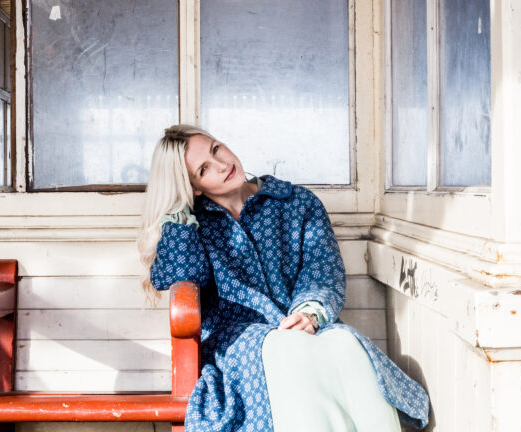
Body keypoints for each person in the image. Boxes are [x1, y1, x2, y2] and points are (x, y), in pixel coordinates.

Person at [138, 124, 429, 432]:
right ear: (194, 186)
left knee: (346, 346)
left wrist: (309, 312)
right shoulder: (194, 226)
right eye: (204, 168)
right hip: (238, 341)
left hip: (303, 321)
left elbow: (322, 267)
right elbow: (181, 276)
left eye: (216, 149)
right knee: (289, 351)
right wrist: (180, 219)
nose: (223, 164)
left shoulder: (296, 203)